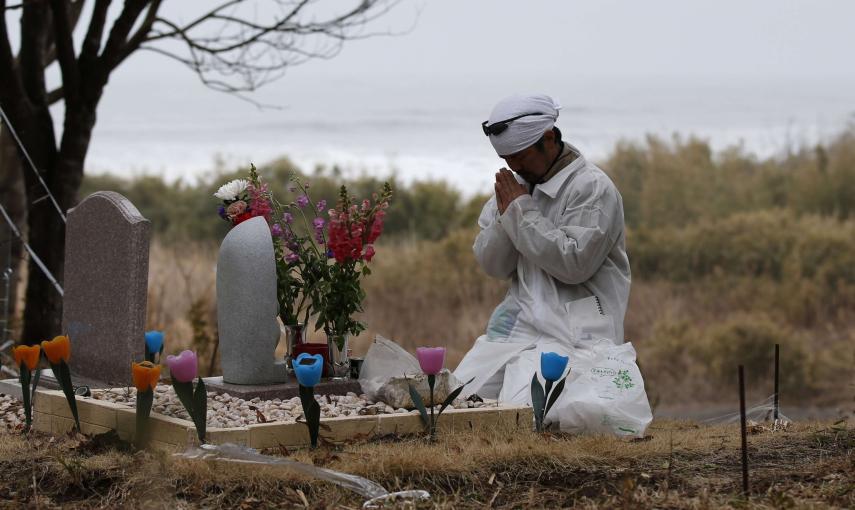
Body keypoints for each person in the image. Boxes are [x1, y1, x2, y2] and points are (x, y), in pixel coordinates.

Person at [454, 93, 631, 401]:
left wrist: (520, 212)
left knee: (524, 411)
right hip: (516, 324)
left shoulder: (591, 188)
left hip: (576, 332)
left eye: (521, 157)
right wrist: (507, 214)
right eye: (507, 160)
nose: (514, 166)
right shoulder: (518, 187)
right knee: (457, 398)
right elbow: (493, 266)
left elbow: (574, 265)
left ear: (548, 138)